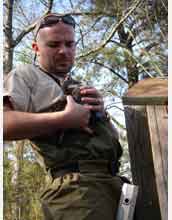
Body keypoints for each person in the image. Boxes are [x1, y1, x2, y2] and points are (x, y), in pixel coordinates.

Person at [3, 13, 124, 220]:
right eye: (54, 44)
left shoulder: (77, 83)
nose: (63, 51)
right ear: (36, 48)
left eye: (70, 44)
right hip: (76, 194)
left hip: (115, 185)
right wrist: (64, 119)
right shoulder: (25, 75)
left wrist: (101, 113)